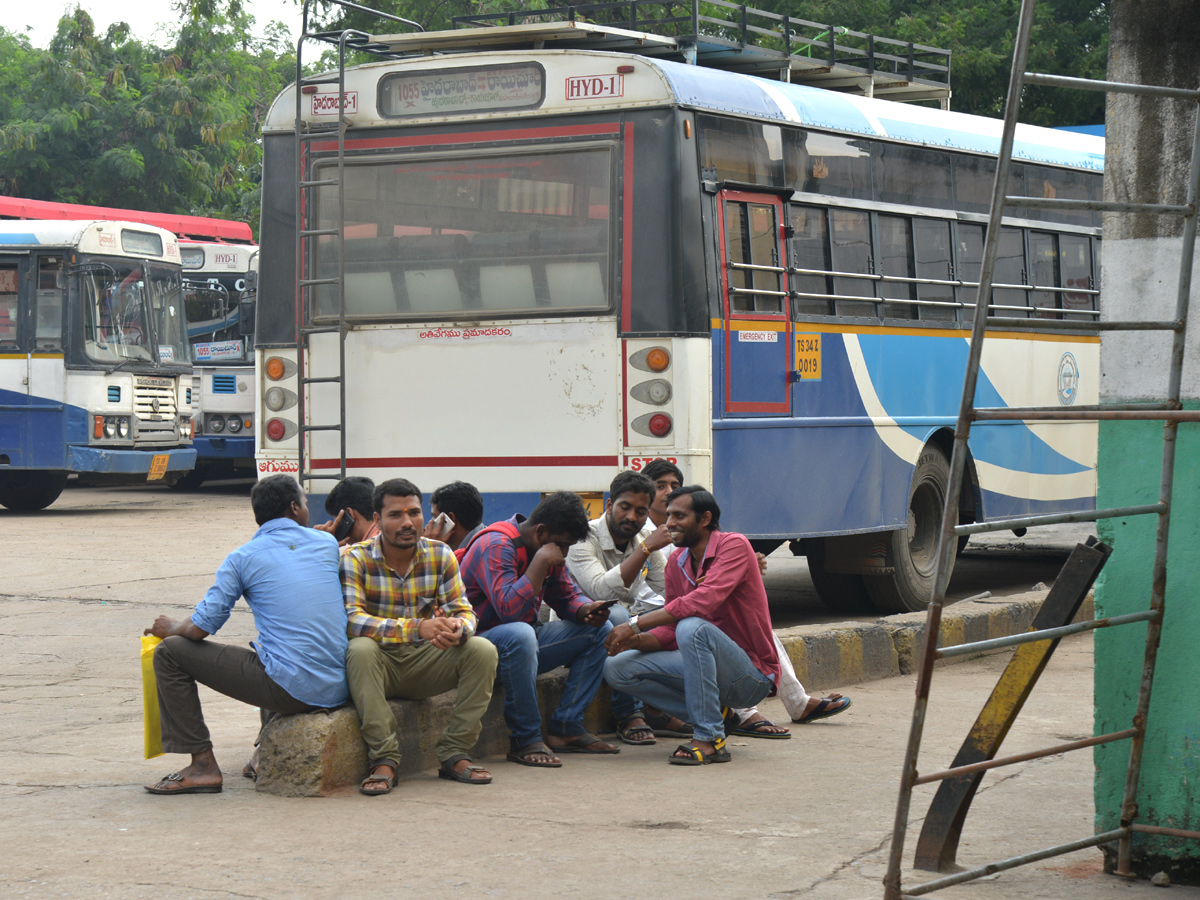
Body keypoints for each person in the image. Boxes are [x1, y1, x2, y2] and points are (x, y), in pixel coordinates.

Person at [604, 486, 846, 766]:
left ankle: (709, 738)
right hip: (705, 669)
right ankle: (716, 715)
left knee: (692, 627)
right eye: (668, 515)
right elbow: (670, 631)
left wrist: (634, 625)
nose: (669, 523)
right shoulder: (675, 563)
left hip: (751, 676)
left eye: (679, 516)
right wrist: (636, 641)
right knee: (617, 667)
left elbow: (701, 602)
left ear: (705, 519)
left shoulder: (734, 545)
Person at [143, 474, 350, 794]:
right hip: (340, 684)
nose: (308, 507)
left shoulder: (242, 558)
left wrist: (171, 628)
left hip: (294, 690)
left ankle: (202, 766)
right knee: (274, 646)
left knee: (170, 651)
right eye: (306, 502)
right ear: (295, 508)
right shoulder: (325, 544)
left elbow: (199, 628)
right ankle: (261, 753)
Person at [342, 478, 499, 795]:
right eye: (395, 515)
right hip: (379, 666)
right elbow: (352, 620)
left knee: (482, 650)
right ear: (377, 520)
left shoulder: (440, 555)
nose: (407, 523)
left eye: (414, 513)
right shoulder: (355, 558)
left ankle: (454, 752)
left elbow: (465, 611)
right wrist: (416, 627)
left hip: (426, 662)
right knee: (359, 649)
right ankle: (384, 759)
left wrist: (458, 630)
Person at [460, 491, 620, 767]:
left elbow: (566, 596)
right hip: (476, 649)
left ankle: (567, 727)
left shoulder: (547, 547)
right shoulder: (496, 544)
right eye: (561, 545)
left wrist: (586, 609)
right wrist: (540, 562)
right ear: (541, 531)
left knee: (601, 630)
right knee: (520, 633)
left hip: (519, 646)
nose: (563, 554)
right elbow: (510, 612)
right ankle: (526, 738)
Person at [566, 471, 674, 744]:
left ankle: (665, 708)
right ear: (609, 505)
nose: (631, 517)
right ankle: (629, 713)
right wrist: (645, 551)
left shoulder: (643, 541)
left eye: (640, 511)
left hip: (620, 628)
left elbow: (672, 591)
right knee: (617, 615)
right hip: (581, 628)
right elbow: (599, 591)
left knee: (675, 619)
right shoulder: (584, 538)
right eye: (625, 507)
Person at [313, 475, 379, 552]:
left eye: (338, 524)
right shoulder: (388, 537)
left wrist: (322, 548)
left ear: (350, 514)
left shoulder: (357, 554)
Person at [425, 480, 485, 552]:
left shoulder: (477, 553)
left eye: (434, 517)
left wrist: (433, 549)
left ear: (450, 519)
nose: (430, 525)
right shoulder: (486, 542)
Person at [641, 458, 683, 529]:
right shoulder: (636, 530)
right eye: (660, 487)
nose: (670, 492)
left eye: (675, 487)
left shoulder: (688, 530)